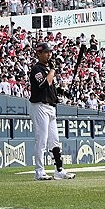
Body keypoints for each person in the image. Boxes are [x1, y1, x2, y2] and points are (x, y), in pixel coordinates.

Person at [28, 41, 74, 181]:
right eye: (46, 52)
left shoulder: (47, 70)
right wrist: (52, 71)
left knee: (54, 140)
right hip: (39, 106)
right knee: (41, 140)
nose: (49, 55)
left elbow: (51, 88)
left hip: (51, 107)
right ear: (39, 53)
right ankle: (39, 171)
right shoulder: (37, 69)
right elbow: (43, 85)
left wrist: (62, 92)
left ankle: (59, 170)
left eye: (49, 52)